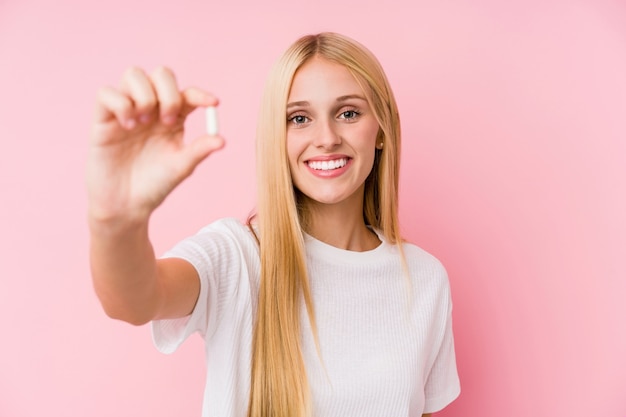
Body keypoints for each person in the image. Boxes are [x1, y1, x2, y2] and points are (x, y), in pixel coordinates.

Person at [87, 32, 460, 417]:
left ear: (380, 129)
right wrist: (115, 220)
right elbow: (132, 300)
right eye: (299, 118)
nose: (326, 139)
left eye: (348, 113)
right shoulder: (237, 257)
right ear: (276, 137)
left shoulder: (425, 278)